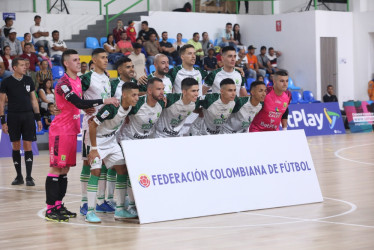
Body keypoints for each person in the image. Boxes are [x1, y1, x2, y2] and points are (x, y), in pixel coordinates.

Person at [44, 49, 118, 222]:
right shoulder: (63, 83)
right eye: (75, 60)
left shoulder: (77, 80)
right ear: (66, 63)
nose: (79, 62)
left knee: (65, 169)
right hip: (60, 130)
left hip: (72, 130)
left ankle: (58, 205)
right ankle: (50, 209)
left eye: (79, 60)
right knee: (56, 168)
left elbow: (81, 103)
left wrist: (85, 107)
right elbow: (78, 102)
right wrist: (103, 101)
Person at [86, 82, 139, 223]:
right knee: (96, 172)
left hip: (111, 141)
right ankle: (90, 212)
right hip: (96, 141)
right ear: (124, 95)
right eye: (133, 95)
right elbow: (92, 125)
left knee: (122, 169)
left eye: (137, 95)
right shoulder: (112, 108)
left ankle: (120, 209)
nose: (136, 98)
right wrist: (93, 149)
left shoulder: (130, 106)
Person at [117, 77, 165, 216]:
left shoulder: (162, 104)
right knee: (127, 172)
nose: (162, 92)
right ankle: (122, 206)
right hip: (128, 142)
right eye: (158, 89)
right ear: (149, 91)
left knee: (141, 174)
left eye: (163, 89)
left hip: (144, 144)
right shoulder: (137, 104)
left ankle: (135, 204)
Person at [79, 48, 113, 216]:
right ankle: (84, 202)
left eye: (107, 57)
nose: (106, 60)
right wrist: (83, 106)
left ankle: (100, 200)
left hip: (106, 126)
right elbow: (75, 97)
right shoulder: (86, 78)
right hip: (90, 126)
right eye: (102, 57)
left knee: (104, 164)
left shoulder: (107, 77)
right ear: (93, 60)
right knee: (88, 163)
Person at [0, 57, 42, 186]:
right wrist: (3, 121)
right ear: (14, 67)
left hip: (28, 116)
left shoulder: (29, 80)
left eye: (26, 65)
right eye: (22, 65)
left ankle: (29, 177)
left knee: (28, 145)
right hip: (13, 116)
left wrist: (38, 118)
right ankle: (19, 176)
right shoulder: (6, 82)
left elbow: (34, 100)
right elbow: (1, 103)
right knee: (16, 146)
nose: (26, 67)